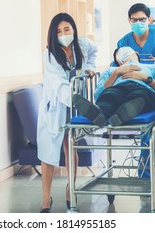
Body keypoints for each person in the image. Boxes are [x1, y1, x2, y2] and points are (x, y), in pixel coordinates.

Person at [36, 13, 98, 213]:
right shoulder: (50, 54)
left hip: (73, 105)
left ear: (73, 29)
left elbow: (94, 50)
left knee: (70, 147)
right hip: (55, 106)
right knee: (48, 152)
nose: (63, 34)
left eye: (67, 29)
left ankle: (70, 190)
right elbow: (60, 84)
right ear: (53, 35)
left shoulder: (82, 45)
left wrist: (89, 67)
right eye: (58, 31)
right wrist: (76, 99)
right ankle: (46, 199)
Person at [117, 3, 155, 178]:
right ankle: (146, 174)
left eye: (142, 19)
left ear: (149, 20)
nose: (138, 23)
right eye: (134, 20)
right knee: (145, 132)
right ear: (129, 20)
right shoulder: (124, 42)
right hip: (139, 91)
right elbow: (117, 65)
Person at [72, 47, 155, 129]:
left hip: (143, 88)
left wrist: (145, 78)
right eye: (120, 53)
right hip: (117, 88)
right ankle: (99, 114)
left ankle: (124, 112)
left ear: (136, 53)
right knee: (109, 96)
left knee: (139, 97)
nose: (124, 52)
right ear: (119, 61)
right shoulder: (111, 70)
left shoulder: (153, 67)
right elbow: (98, 94)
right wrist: (116, 73)